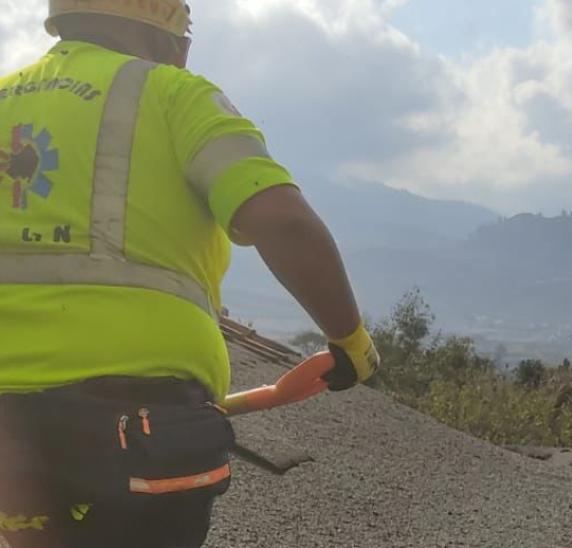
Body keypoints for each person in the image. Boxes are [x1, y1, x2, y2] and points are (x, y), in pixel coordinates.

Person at [0, 1, 379, 547]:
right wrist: (350, 340)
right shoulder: (175, 95)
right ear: (164, 27)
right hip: (141, 425)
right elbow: (282, 222)